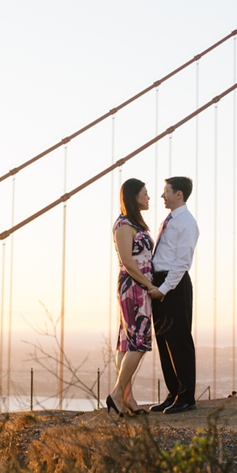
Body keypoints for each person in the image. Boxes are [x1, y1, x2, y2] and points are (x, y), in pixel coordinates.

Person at [106, 178, 158, 416]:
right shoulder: (125, 224)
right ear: (133, 196)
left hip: (135, 285)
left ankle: (127, 398)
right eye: (145, 193)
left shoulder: (132, 223)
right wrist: (148, 285)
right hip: (135, 287)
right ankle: (117, 395)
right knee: (139, 341)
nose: (149, 197)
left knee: (127, 342)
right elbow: (128, 261)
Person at [149, 176, 200, 414]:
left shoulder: (187, 223)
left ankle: (186, 396)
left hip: (174, 284)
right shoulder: (169, 220)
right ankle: (174, 393)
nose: (162, 195)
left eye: (166, 191)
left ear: (178, 194)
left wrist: (164, 288)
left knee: (179, 340)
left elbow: (182, 263)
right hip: (161, 283)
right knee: (164, 341)